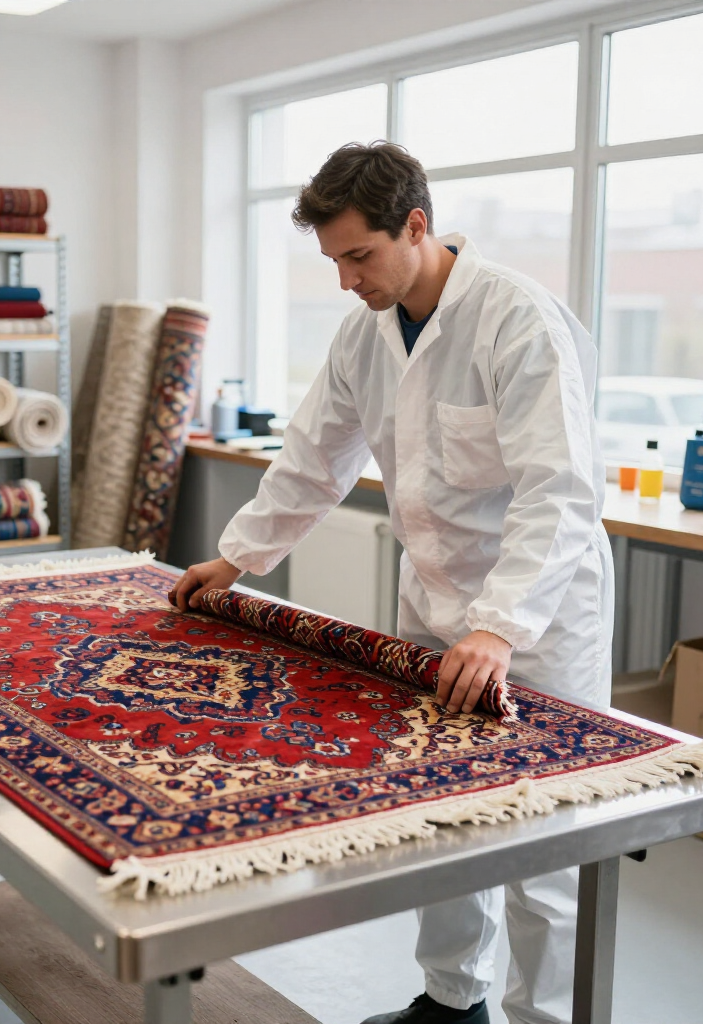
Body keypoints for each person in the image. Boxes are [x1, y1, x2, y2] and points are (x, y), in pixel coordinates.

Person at [169, 141, 612, 1024]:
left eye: (358, 256)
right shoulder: (365, 332)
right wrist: (239, 555)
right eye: (332, 260)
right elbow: (312, 459)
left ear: (417, 225)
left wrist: (499, 626)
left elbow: (558, 490)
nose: (345, 279)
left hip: (537, 618)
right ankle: (454, 1002)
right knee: (438, 808)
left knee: (541, 832)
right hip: (432, 601)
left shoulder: (516, 319)